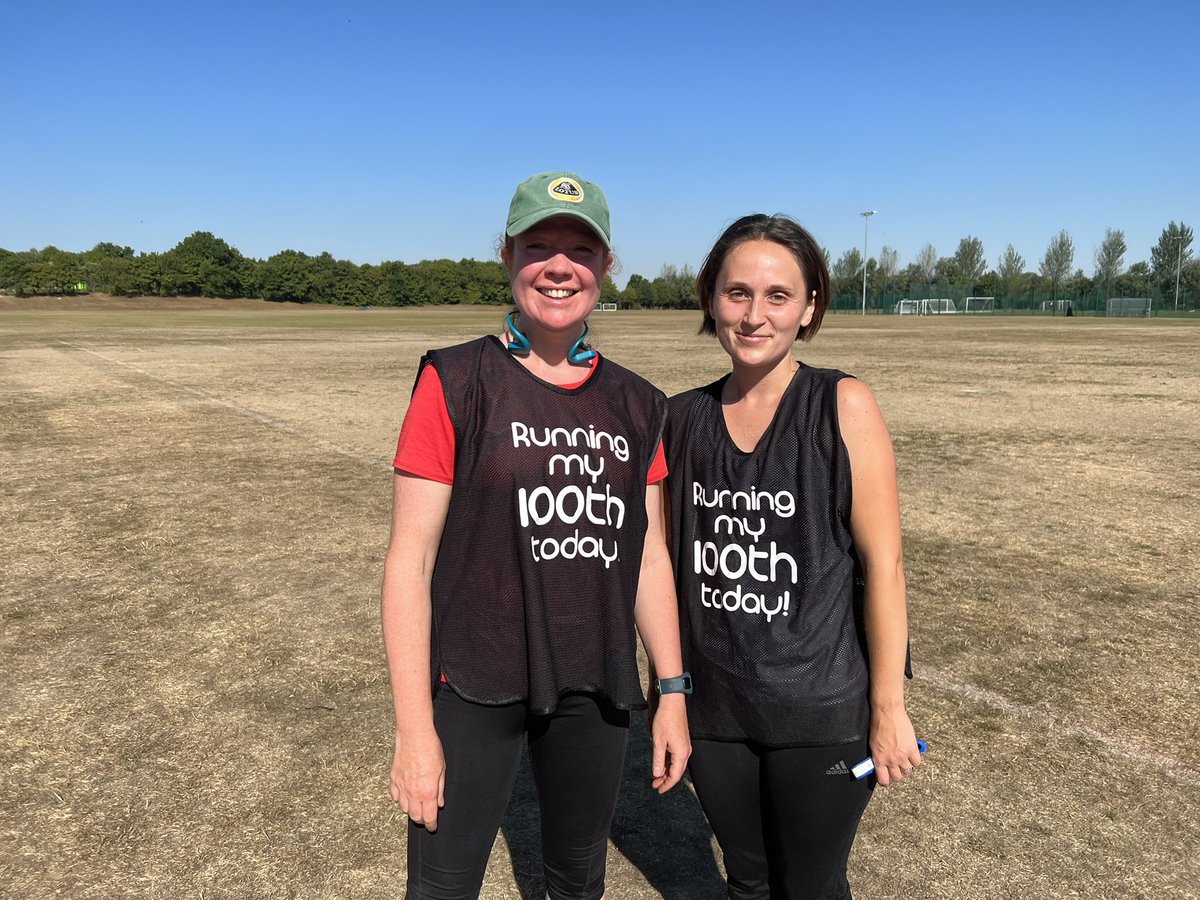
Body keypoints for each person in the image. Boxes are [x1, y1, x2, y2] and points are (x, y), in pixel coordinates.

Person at [381, 171, 690, 900]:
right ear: (507, 255)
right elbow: (409, 561)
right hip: (473, 682)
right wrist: (414, 729)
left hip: (593, 680)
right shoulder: (455, 380)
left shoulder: (639, 403)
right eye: (539, 245)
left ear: (607, 267)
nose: (560, 265)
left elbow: (647, 553)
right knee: (442, 887)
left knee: (577, 883)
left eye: (581, 249)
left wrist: (672, 687)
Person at [663, 214, 920, 900]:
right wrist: (668, 693)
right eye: (736, 292)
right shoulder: (680, 418)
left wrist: (888, 708)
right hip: (716, 711)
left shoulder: (843, 403)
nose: (754, 315)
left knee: (809, 883)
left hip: (822, 711)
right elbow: (656, 567)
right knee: (747, 880)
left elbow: (884, 567)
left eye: (778, 296)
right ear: (710, 298)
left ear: (809, 308)